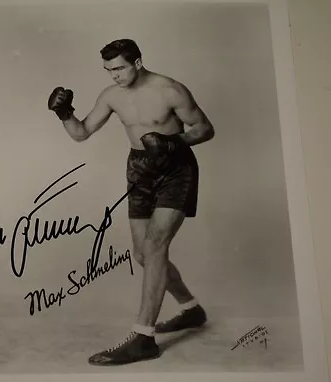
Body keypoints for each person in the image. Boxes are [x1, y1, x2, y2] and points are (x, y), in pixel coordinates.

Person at [48, 39, 215, 366]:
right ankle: (191, 309)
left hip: (176, 168)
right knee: (142, 254)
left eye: (120, 68)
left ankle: (143, 337)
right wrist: (64, 113)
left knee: (154, 246)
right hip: (139, 168)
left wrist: (172, 142)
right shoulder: (111, 95)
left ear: (138, 62)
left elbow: (205, 128)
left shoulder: (170, 90)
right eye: (109, 70)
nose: (115, 76)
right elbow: (81, 133)